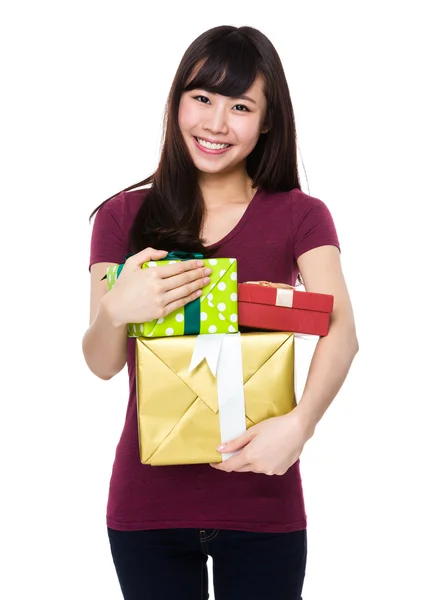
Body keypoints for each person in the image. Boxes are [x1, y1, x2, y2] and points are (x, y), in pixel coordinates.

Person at [82, 24, 358, 600]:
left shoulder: (300, 215)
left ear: (267, 121)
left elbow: (341, 332)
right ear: (177, 102)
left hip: (265, 502)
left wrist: (300, 427)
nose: (215, 123)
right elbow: (102, 363)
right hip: (147, 507)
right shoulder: (120, 217)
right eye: (202, 98)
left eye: (240, 106)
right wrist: (115, 311)